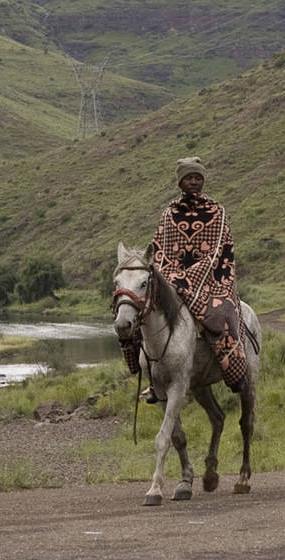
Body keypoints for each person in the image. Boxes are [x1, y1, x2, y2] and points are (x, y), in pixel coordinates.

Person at [119, 157, 248, 401]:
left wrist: (188, 279)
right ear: (180, 182)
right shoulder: (169, 214)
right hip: (171, 277)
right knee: (139, 314)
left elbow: (218, 251)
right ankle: (150, 378)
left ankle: (233, 369)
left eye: (198, 178)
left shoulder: (217, 212)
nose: (194, 182)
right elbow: (160, 250)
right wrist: (173, 277)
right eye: (189, 178)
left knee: (224, 316)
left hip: (211, 279)